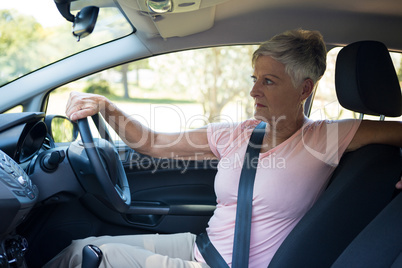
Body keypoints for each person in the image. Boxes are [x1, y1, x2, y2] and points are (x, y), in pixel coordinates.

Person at [44, 29, 402, 268]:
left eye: (269, 81)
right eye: (254, 79)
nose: (254, 91)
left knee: (92, 258)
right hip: (201, 248)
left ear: (304, 89)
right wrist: (107, 107)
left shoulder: (326, 137)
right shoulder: (237, 133)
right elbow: (152, 143)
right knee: (79, 247)